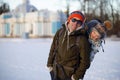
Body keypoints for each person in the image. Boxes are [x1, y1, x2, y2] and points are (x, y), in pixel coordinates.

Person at [47, 11, 91, 80]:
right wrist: (49, 65)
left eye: (79, 22)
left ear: (81, 24)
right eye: (74, 20)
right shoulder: (60, 32)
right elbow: (53, 48)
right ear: (69, 20)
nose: (76, 23)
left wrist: (76, 77)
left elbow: (85, 62)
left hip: (69, 75)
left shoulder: (82, 39)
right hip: (55, 71)